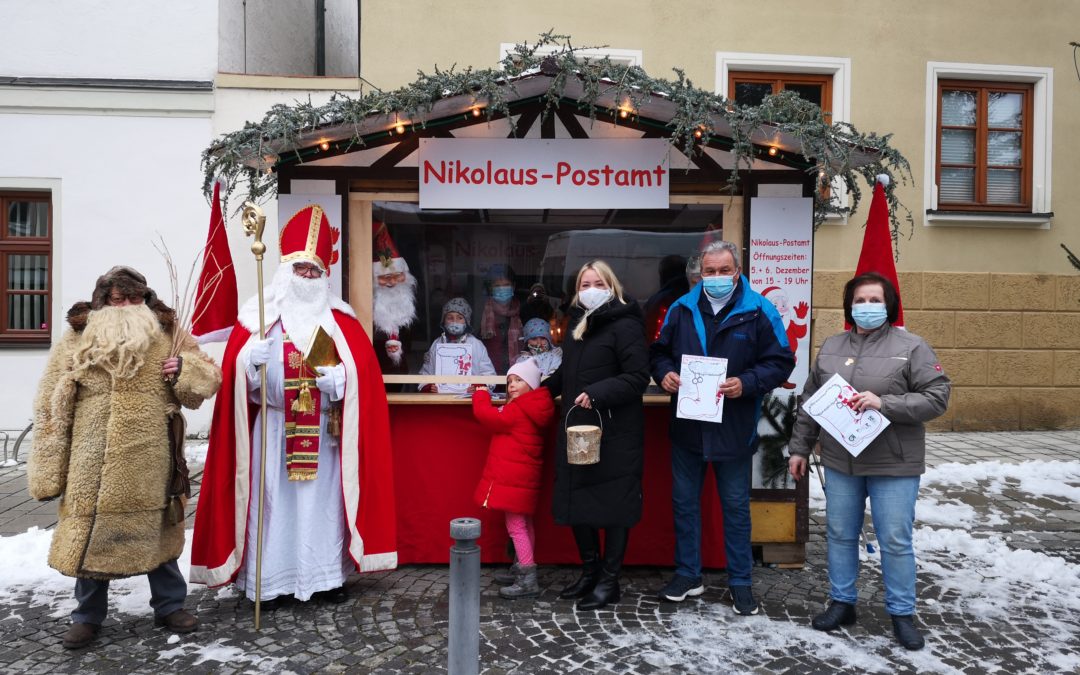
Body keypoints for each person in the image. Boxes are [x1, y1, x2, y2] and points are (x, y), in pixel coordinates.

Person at [190, 205, 397, 609]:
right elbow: (234, 385)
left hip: (323, 435)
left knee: (322, 509)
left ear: (325, 277)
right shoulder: (257, 319)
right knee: (271, 506)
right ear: (285, 270)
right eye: (300, 268)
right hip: (271, 430)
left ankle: (325, 579)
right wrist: (250, 362)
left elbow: (363, 380)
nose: (307, 276)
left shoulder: (342, 321)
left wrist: (339, 381)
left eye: (314, 270)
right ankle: (266, 583)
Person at [28, 266, 222, 649]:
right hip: (91, 457)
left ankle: (169, 606)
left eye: (135, 298)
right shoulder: (78, 338)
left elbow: (208, 380)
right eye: (118, 299)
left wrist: (185, 369)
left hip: (152, 455)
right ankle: (86, 617)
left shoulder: (169, 335)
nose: (127, 306)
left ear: (146, 300)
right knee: (90, 532)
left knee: (160, 532)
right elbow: (51, 402)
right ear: (103, 302)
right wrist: (50, 465)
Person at [787, 271, 950, 651]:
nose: (867, 307)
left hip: (894, 463)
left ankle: (902, 613)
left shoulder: (912, 346)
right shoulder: (831, 346)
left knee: (894, 539)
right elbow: (812, 403)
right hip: (842, 461)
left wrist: (885, 403)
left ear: (889, 305)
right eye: (860, 300)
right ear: (849, 306)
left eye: (875, 300)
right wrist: (799, 448)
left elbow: (937, 396)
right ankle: (842, 602)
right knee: (841, 534)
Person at [649, 240, 795, 615]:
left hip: (735, 426)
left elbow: (780, 361)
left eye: (723, 271)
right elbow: (658, 352)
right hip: (688, 427)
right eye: (709, 272)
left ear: (737, 272)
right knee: (684, 504)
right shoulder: (681, 309)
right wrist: (664, 373)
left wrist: (746, 383)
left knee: (734, 507)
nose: (716, 278)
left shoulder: (759, 310)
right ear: (700, 274)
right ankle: (688, 575)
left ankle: (741, 582)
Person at [543, 260, 650, 611]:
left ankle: (609, 581)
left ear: (612, 286)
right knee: (579, 503)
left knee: (614, 507)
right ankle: (589, 573)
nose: (590, 288)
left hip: (615, 432)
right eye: (584, 283)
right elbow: (566, 372)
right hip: (578, 431)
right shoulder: (578, 324)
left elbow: (637, 377)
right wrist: (538, 389)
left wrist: (599, 392)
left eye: (598, 282)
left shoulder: (627, 325)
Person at [471, 358, 555, 599]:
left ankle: (527, 576)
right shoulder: (535, 406)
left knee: (516, 526)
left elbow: (487, 416)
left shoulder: (518, 409)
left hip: (513, 478)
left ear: (531, 383)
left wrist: (480, 394)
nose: (512, 385)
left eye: (518, 380)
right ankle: (521, 567)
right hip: (523, 477)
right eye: (509, 381)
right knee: (525, 523)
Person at [419, 297, 496, 393]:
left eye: (460, 318)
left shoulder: (476, 345)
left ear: (466, 321)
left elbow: (490, 376)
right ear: (444, 321)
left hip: (469, 402)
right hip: (441, 401)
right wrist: (429, 387)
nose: (454, 321)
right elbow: (425, 374)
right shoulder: (437, 344)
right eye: (450, 317)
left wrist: (477, 387)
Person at [371, 221, 417, 375]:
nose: (391, 282)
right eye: (384, 278)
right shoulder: (370, 303)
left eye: (396, 276)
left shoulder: (405, 304)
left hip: (400, 371)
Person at [479, 264, 523, 372]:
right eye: (497, 286)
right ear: (490, 288)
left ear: (513, 286)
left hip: (518, 375)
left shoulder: (523, 311)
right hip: (490, 373)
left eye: (506, 285)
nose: (502, 289)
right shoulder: (482, 312)